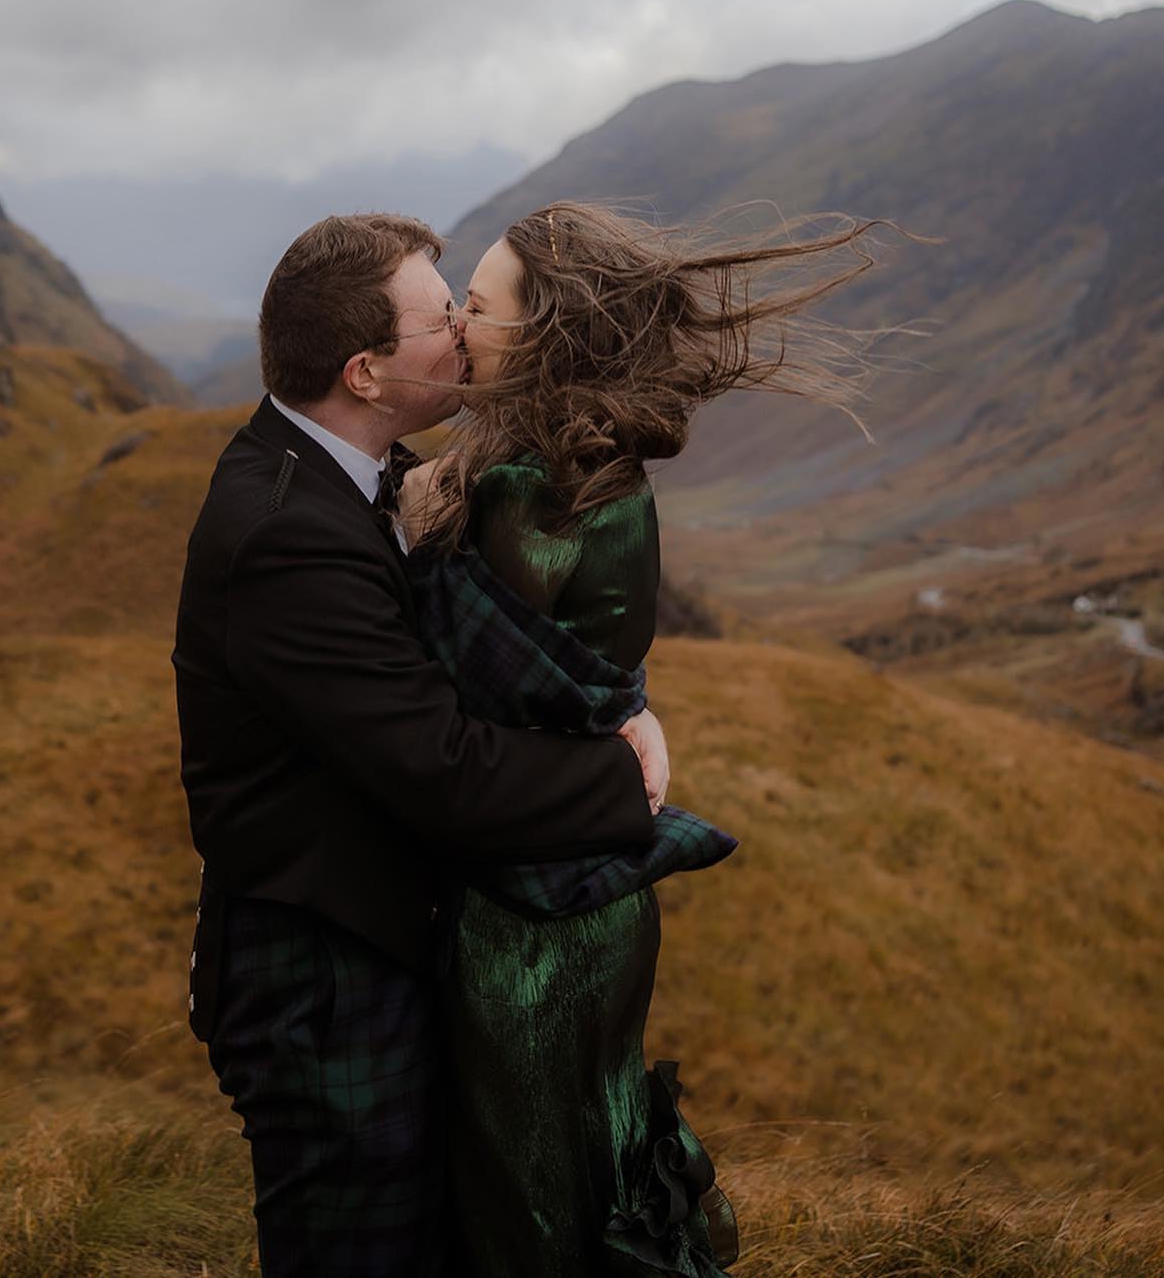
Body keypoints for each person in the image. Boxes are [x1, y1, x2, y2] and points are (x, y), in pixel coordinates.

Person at [172, 212, 671, 1278]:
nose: (464, 335)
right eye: (443, 318)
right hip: (320, 986)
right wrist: (623, 780)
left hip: (367, 951)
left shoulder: (362, 477)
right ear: (365, 370)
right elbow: (440, 767)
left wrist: (615, 698)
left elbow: (465, 659)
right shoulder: (284, 538)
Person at [400, 199, 894, 1276]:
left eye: (477, 309)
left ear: (545, 334)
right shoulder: (607, 475)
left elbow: (441, 677)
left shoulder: (523, 493)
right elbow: (582, 674)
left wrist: (410, 505)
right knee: (598, 1150)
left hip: (526, 922)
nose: (459, 329)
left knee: (526, 1196)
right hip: (606, 899)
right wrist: (629, 708)